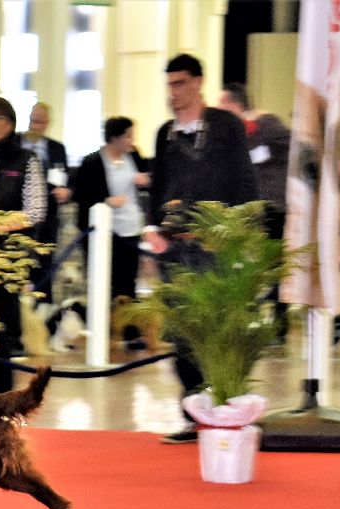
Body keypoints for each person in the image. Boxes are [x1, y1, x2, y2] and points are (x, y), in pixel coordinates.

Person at [144, 54, 258, 444]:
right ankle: (194, 415)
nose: (173, 92)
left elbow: (244, 180)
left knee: (220, 332)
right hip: (176, 248)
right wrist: (151, 227)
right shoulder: (165, 134)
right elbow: (158, 186)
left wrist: (235, 232)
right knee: (183, 333)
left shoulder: (225, 126)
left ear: (197, 83)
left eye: (179, 84)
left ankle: (227, 412)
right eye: (169, 84)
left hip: (216, 245)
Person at [0, 96, 47, 395]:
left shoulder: (26, 160)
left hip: (9, 257)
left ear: (11, 124)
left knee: (3, 329)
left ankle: (4, 398)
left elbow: (36, 210)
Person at [219, 82, 291, 340]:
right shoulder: (235, 133)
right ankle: (258, 316)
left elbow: (295, 143)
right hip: (251, 208)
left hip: (274, 207)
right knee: (254, 264)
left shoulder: (267, 123)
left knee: (273, 265)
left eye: (222, 103)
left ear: (233, 104)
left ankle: (278, 324)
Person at [72, 116, 150, 301]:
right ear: (115, 138)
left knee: (128, 283)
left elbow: (148, 178)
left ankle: (127, 325)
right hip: (107, 232)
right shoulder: (92, 162)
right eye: (128, 136)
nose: (132, 140)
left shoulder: (133, 156)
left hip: (131, 229)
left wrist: (144, 180)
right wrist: (107, 201)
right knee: (105, 284)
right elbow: (82, 197)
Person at [21, 102, 71, 300]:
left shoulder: (57, 148)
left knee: (45, 263)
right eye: (33, 121)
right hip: (20, 215)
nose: (36, 126)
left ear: (47, 123)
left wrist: (66, 191)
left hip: (48, 216)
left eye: (40, 122)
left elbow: (66, 178)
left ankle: (43, 306)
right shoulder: (17, 143)